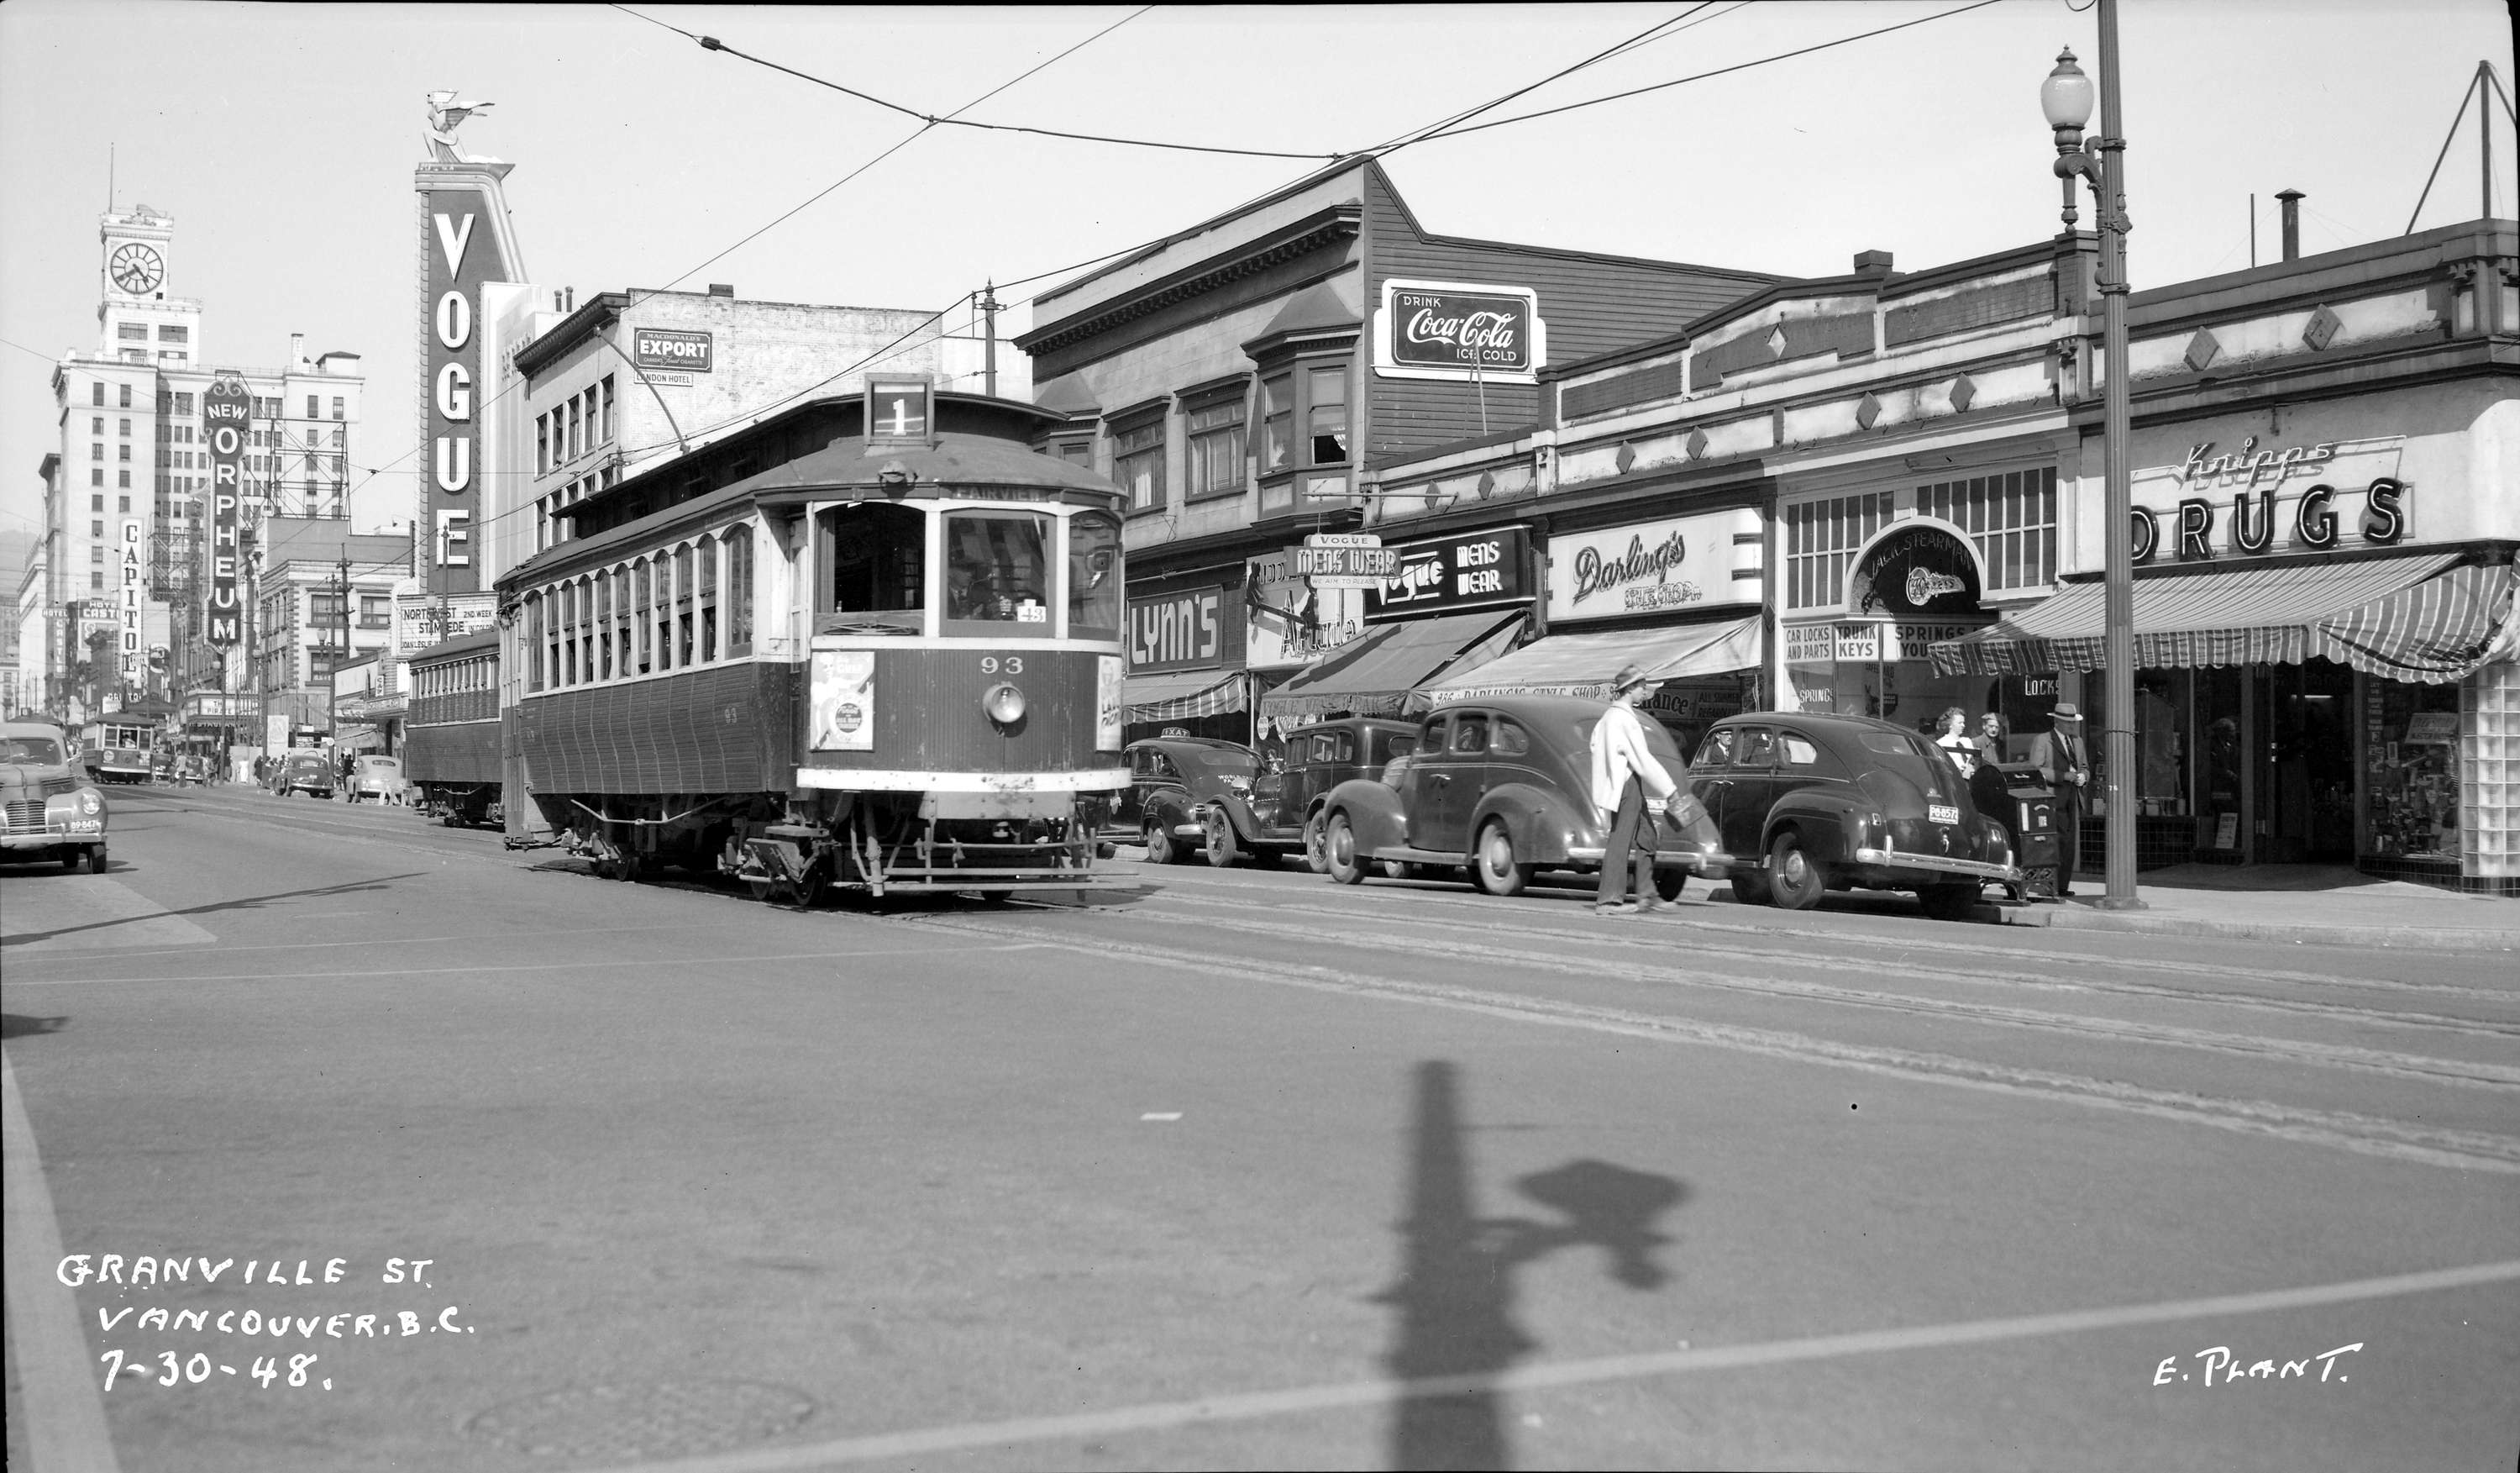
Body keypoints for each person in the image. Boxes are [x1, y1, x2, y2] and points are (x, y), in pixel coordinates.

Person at [1590, 663, 1683, 916]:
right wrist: (1670, 789)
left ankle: (1647, 894)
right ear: (1629, 688)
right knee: (1620, 840)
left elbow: (1595, 746)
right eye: (1642, 686)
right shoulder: (1624, 719)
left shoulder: (1610, 716)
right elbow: (1643, 759)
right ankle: (1608, 901)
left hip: (1623, 782)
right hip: (1627, 784)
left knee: (1647, 836)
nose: (1645, 691)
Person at [2024, 703, 2091, 896]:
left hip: (2072, 797)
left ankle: (2063, 886)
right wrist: (2063, 776)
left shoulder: (2077, 742)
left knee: (2069, 843)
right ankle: (2050, 886)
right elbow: (2035, 769)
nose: (2072, 726)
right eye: (2068, 723)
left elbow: (2085, 766)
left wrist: (2083, 777)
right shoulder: (2043, 740)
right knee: (2055, 843)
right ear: (2057, 722)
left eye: (2073, 723)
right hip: (2052, 799)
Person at [1935, 707, 1979, 778]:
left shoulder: (1967, 741)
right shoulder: (1941, 743)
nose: (1963, 725)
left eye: (1963, 722)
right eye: (1960, 723)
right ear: (1950, 725)